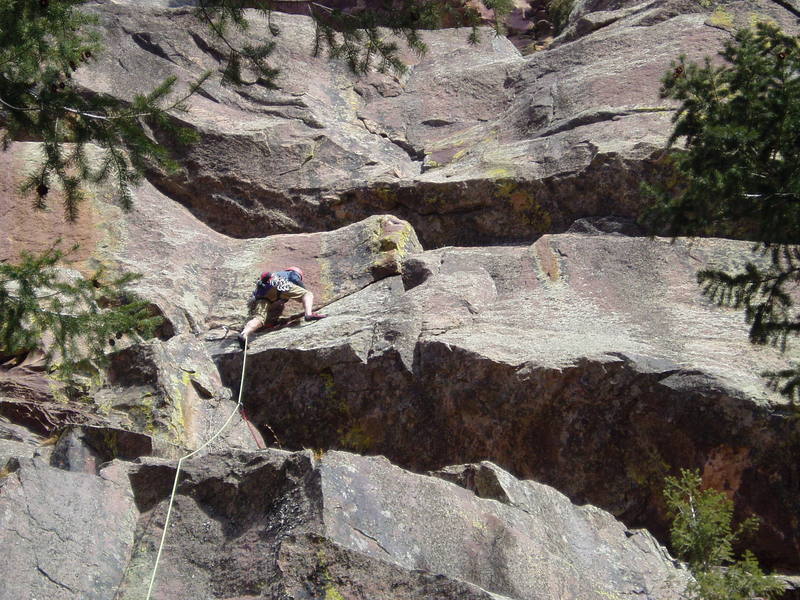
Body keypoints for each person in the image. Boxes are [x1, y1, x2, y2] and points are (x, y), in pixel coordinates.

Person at [238, 266, 326, 349]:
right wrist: (303, 290)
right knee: (307, 294)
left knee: (259, 318)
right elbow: (296, 281)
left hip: (261, 294)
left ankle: (244, 334)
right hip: (277, 284)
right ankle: (309, 314)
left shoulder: (276, 274)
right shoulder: (292, 273)